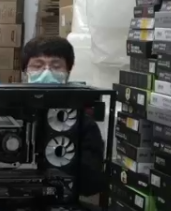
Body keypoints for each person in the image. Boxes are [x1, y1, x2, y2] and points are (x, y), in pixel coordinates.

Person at [21, 35, 108, 196]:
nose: (46, 73)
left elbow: (92, 184)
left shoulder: (83, 123)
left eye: (56, 66)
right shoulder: (11, 115)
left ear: (68, 71)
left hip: (61, 200)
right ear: (25, 70)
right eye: (38, 66)